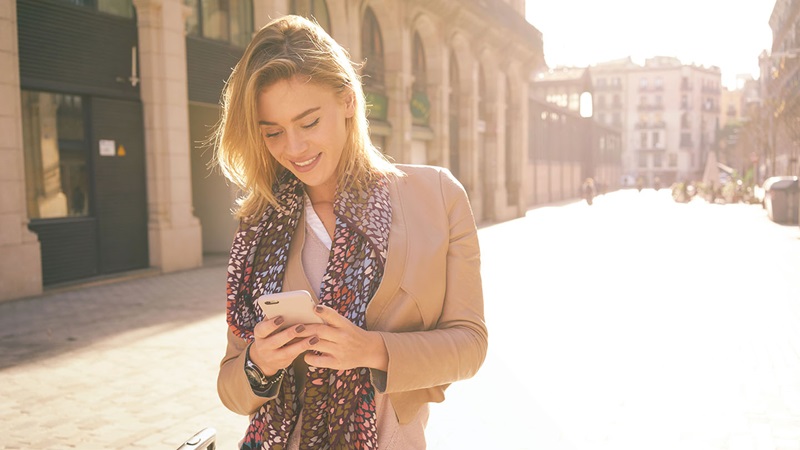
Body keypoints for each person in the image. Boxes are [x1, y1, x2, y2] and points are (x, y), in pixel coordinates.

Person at [212, 15, 487, 449]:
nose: (294, 148)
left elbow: (470, 345)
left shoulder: (436, 195)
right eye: (274, 133)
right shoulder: (258, 227)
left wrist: (371, 349)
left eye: (308, 123)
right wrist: (257, 363)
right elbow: (229, 386)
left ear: (346, 102)